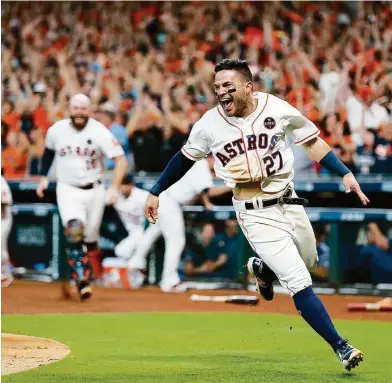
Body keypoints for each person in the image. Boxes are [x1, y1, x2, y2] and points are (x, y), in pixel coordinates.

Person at [144, 59, 369, 370]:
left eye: (228, 86)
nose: (221, 92)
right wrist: (156, 190)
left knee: (310, 261)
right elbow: (184, 159)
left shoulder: (275, 108)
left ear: (248, 87)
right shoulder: (209, 125)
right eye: (217, 87)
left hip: (289, 202)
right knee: (299, 281)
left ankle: (263, 269)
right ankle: (341, 347)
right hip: (255, 213)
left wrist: (344, 173)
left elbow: (311, 142)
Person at [36, 94, 127, 300]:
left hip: (95, 189)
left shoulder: (99, 131)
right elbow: (48, 152)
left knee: (91, 240)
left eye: (83, 108)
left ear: (89, 110)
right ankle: (82, 279)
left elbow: (120, 160)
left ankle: (85, 273)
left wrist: (114, 187)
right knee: (74, 229)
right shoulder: (56, 130)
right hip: (67, 188)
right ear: (69, 108)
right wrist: (43, 177)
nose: (79, 112)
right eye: (76, 108)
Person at [124, 158, 218, 292]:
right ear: (210, 157)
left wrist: (206, 202)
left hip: (165, 198)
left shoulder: (197, 164)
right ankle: (169, 281)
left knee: (153, 232)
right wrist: (233, 187)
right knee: (176, 241)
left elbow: (202, 190)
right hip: (171, 203)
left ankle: (136, 261)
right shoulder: (202, 165)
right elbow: (208, 191)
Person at [1, 174, 14, 287]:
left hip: (3, 217)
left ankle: (5, 275)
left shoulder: (1, 181)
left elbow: (5, 202)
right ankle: (5, 275)